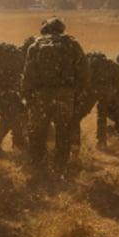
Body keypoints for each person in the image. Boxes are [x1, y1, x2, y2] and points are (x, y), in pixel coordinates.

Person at [21, 17, 89, 181]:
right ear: (61, 28)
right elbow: (84, 72)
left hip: (41, 96)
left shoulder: (35, 46)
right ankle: (60, 168)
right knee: (63, 131)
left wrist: (27, 95)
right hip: (64, 95)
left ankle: (37, 167)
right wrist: (76, 92)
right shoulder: (72, 44)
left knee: (37, 132)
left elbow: (28, 73)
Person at [0, 41, 29, 157]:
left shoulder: (9, 56)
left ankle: (18, 143)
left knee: (10, 117)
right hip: (8, 93)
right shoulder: (18, 58)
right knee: (7, 120)